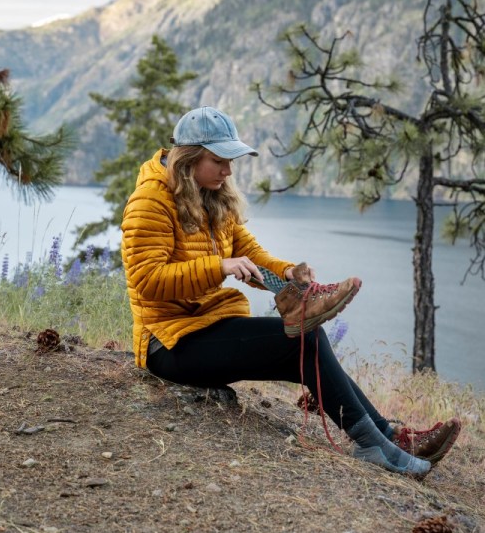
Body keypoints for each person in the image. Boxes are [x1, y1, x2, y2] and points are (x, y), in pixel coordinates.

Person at [121, 106, 460, 476]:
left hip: (206, 326)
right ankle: (377, 443)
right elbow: (147, 279)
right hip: (167, 344)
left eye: (231, 161)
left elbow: (249, 251)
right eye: (219, 160)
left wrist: (286, 270)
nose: (228, 171)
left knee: (306, 336)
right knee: (305, 340)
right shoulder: (150, 201)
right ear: (188, 159)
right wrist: (218, 266)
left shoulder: (209, 194)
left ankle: (386, 438)